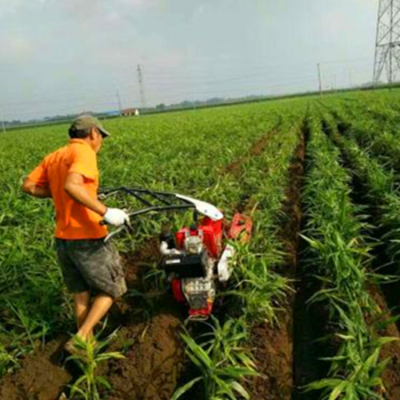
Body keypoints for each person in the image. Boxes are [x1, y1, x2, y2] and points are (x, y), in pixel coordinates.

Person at [22, 115, 129, 353]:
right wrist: (106, 211)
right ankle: (81, 337)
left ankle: (87, 351)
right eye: (100, 135)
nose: (100, 141)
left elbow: (28, 186)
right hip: (88, 236)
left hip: (63, 238)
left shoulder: (55, 156)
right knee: (112, 288)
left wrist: (64, 195)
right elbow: (72, 185)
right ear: (92, 133)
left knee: (80, 294)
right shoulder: (84, 153)